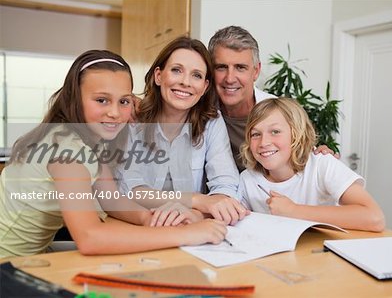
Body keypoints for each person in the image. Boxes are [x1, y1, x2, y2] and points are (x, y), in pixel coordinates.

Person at [0, 50, 226, 258]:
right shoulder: (66, 151)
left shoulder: (90, 140)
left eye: (124, 101)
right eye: (102, 100)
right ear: (75, 98)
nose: (115, 112)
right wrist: (190, 234)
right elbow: (90, 238)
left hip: (35, 254)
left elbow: (111, 199)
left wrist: (150, 219)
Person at [117, 37, 248, 226]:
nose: (186, 82)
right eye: (177, 70)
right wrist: (198, 200)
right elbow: (129, 189)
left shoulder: (211, 123)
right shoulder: (131, 119)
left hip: (189, 227)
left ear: (205, 87)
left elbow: (226, 185)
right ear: (159, 76)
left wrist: (196, 215)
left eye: (196, 75)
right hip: (136, 225)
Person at [238, 98, 385, 232]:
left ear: (297, 134)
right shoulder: (247, 180)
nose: (264, 143)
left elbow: (374, 218)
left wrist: (293, 211)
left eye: (275, 131)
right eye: (256, 134)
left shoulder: (322, 164)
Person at [208, 25, 338, 173]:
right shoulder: (198, 111)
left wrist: (321, 160)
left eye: (240, 67)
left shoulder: (282, 113)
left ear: (256, 71)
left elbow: (304, 160)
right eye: (221, 67)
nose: (230, 78)